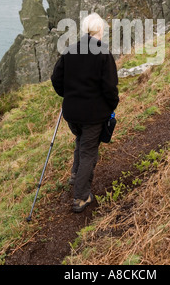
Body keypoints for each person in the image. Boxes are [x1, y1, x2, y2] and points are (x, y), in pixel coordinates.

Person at [51, 13, 119, 213]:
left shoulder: (70, 50)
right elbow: (110, 87)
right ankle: (81, 197)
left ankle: (75, 175)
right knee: (89, 150)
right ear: (100, 30)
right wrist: (112, 105)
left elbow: (56, 79)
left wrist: (68, 95)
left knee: (81, 141)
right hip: (93, 114)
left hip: (72, 112)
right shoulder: (103, 53)